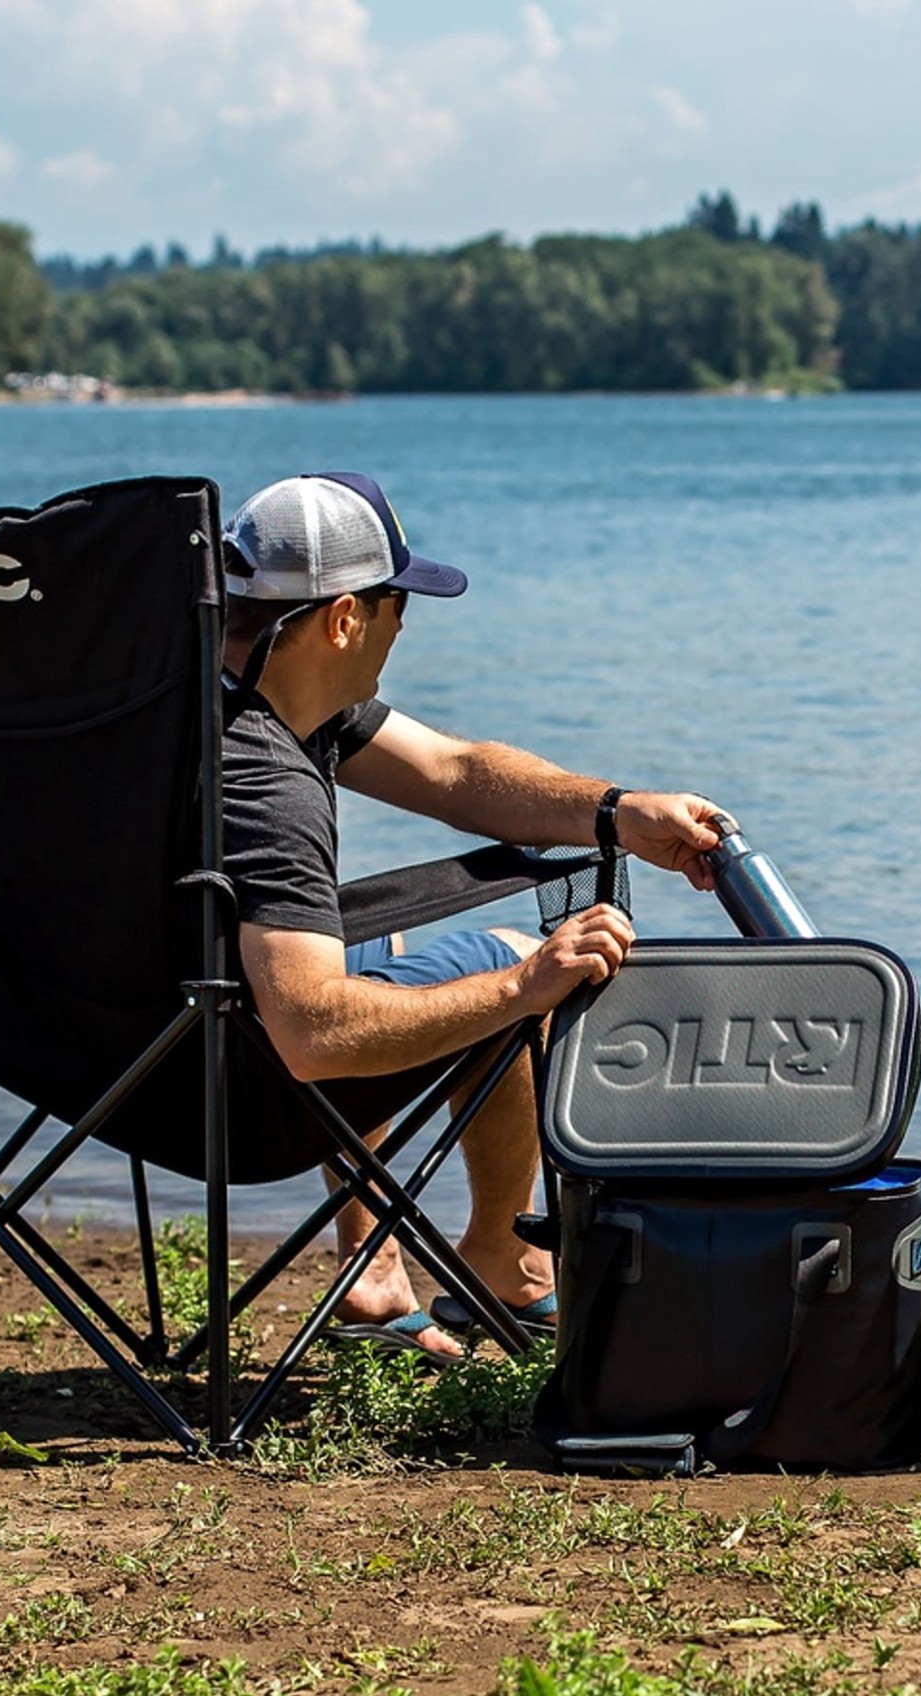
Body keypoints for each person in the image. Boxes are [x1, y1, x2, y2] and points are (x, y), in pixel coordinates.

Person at [220, 470, 725, 1361]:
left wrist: (617, 811)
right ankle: (502, 1257)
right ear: (343, 621)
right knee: (505, 951)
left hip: (74, 1049)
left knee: (379, 938)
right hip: (214, 1083)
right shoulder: (265, 779)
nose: (402, 627)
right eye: (394, 607)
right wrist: (526, 982)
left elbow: (453, 771)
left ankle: (373, 1275)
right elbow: (311, 1034)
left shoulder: (173, 705)